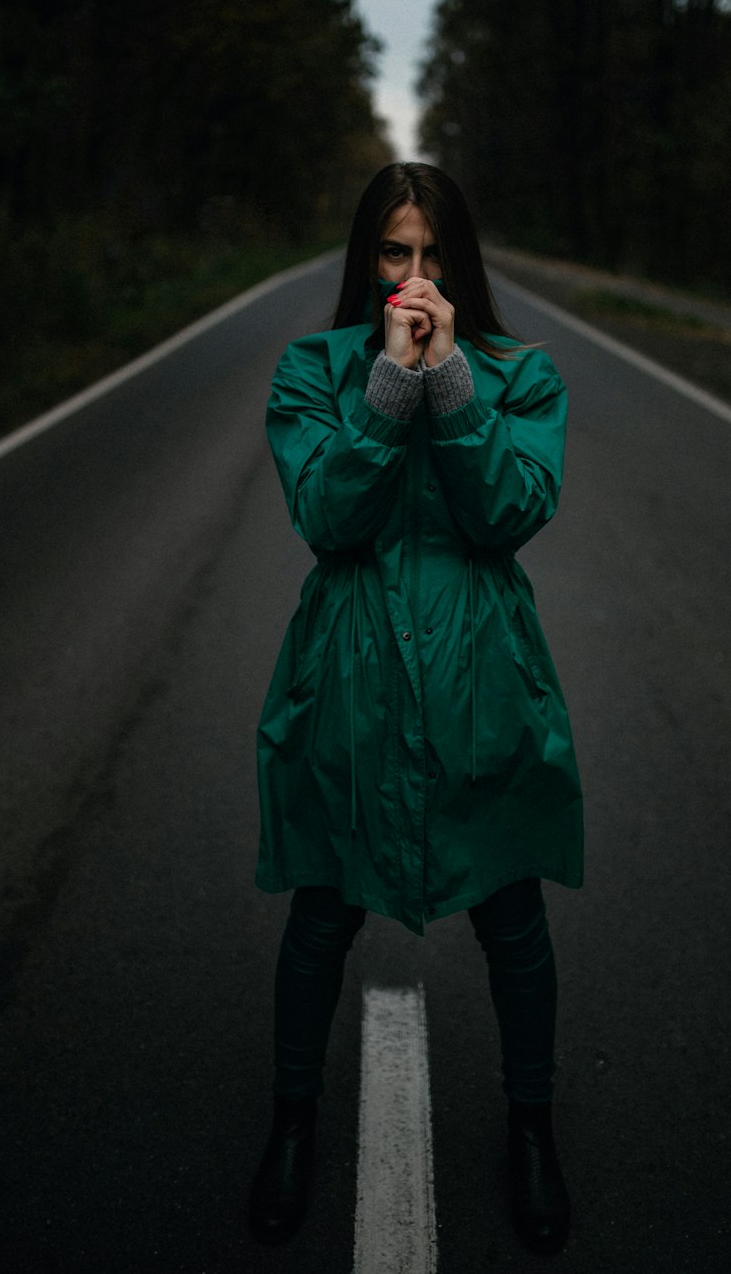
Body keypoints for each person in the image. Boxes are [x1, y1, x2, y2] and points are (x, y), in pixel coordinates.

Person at [248, 162, 584, 1255]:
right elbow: (328, 518)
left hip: (480, 670)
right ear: (366, 262)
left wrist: (450, 387)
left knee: (512, 916)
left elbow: (508, 511)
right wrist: (387, 390)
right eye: (394, 253)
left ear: (463, 265)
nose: (415, 279)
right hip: (348, 673)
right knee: (321, 911)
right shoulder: (312, 371)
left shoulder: (522, 376)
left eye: (434, 256)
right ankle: (292, 1119)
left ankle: (531, 1127)